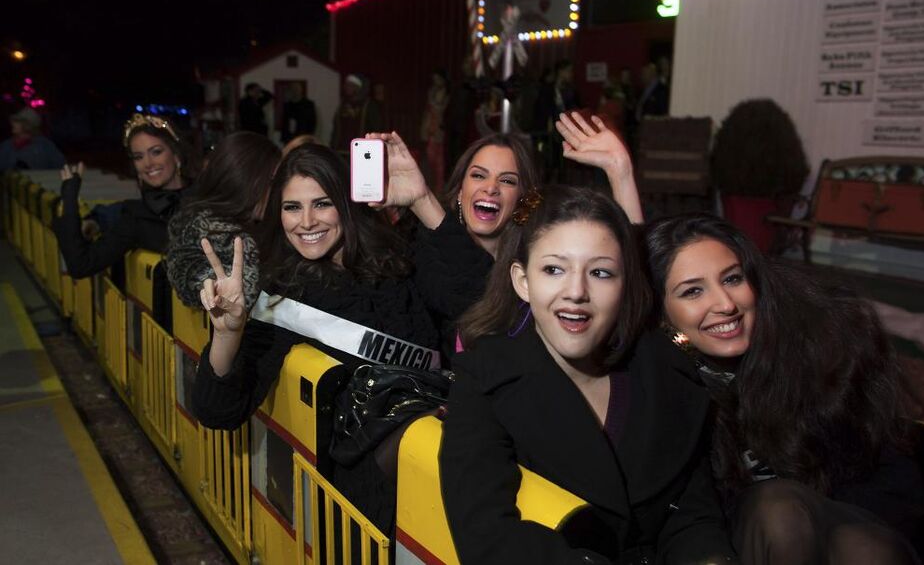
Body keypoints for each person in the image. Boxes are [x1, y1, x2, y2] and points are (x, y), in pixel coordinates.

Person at [440, 186, 736, 564]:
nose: (577, 292)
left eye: (600, 272)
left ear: (625, 284)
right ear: (522, 281)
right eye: (554, 269)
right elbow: (487, 536)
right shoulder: (484, 379)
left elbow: (692, 518)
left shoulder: (666, 372)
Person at [645, 213, 924, 565]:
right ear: (662, 314)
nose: (726, 304)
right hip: (739, 540)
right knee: (777, 510)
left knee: (854, 544)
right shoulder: (663, 380)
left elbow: (893, 481)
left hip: (860, 528)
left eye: (732, 279)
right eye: (693, 291)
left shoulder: (820, 347)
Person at [192, 143, 440, 534]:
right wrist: (227, 334)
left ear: (346, 204)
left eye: (322, 204)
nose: (306, 222)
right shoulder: (286, 294)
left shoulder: (399, 262)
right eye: (292, 207)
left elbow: (473, 304)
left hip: (433, 445)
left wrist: (423, 200)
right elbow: (216, 411)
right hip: (365, 482)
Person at [368, 113, 644, 354]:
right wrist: (422, 202)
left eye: (507, 180)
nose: (491, 188)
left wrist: (621, 172)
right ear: (460, 191)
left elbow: (627, 271)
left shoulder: (538, 262)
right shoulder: (419, 251)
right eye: (478, 175)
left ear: (524, 199)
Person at [53, 113, 193, 279]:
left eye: (156, 152)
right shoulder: (136, 217)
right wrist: (69, 200)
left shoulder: (209, 197)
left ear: (176, 155)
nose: (148, 163)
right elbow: (81, 265)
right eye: (138, 157)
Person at [165, 131, 281, 312]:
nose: (280, 191)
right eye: (273, 181)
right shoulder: (216, 238)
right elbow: (188, 273)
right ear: (246, 181)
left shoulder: (262, 228)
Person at [0, 107, 65, 170]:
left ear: (27, 125)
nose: (13, 124)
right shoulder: (6, 146)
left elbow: (61, 166)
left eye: (17, 121)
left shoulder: (44, 145)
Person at [330, 74, 383, 153]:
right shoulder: (343, 105)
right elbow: (336, 128)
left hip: (362, 150)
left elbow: (376, 128)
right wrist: (333, 145)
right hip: (341, 149)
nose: (346, 87)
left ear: (358, 88)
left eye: (350, 85)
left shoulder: (369, 105)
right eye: (346, 85)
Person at [419, 69, 449, 193]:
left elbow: (440, 108)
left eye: (438, 79)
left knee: (439, 161)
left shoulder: (445, 94)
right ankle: (431, 186)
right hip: (430, 127)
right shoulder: (432, 92)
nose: (436, 82)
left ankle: (439, 188)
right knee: (430, 159)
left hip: (440, 129)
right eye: (434, 79)